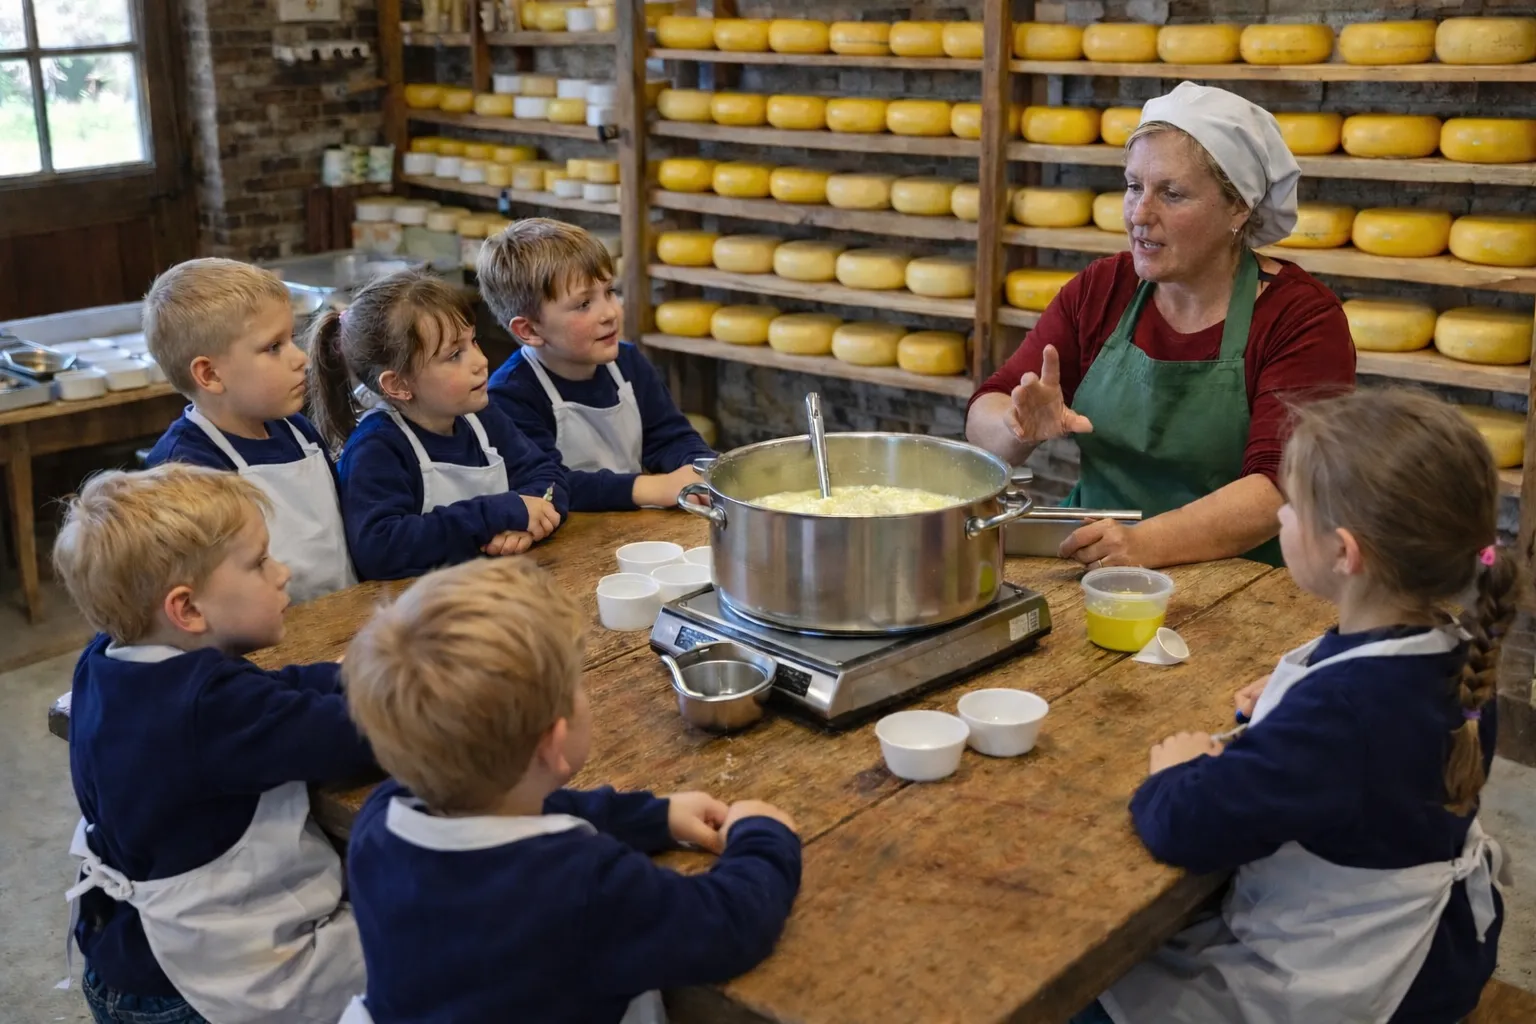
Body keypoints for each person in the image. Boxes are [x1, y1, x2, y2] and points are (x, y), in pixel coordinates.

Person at [1082, 389, 1511, 1024]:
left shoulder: (1341, 713)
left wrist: (1177, 772)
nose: (1281, 517)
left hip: (1354, 980)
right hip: (1441, 944)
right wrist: (1300, 690)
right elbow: (1360, 747)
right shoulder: (1458, 652)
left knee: (1091, 998)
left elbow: (1186, 827)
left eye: (1292, 508)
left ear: (1344, 553)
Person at [338, 557, 803, 1024]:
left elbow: (528, 810)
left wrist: (652, 816)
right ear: (554, 743)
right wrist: (763, 836)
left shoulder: (380, 821)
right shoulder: (582, 885)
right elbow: (726, 926)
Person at [967, 82, 1355, 568]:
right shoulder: (1102, 289)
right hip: (1096, 562)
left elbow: (1280, 486)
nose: (1139, 215)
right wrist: (1016, 427)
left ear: (1239, 206)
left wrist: (1144, 543)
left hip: (1243, 578)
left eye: (1171, 194)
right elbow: (986, 410)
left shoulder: (1300, 318)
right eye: (1134, 187)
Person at [54, 464, 373, 1024]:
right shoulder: (210, 712)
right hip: (196, 989)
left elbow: (274, 691)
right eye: (259, 563)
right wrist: (427, 686)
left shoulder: (109, 660)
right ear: (187, 609)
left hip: (126, 956)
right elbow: (357, 734)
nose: (283, 572)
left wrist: (356, 672)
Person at [308, 269, 569, 580]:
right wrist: (498, 514)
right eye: (455, 355)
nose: (481, 361)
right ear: (398, 385)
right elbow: (381, 548)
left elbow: (548, 475)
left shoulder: (482, 417)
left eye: (474, 341)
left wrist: (529, 522)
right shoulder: (376, 449)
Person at [142, 258, 355, 603]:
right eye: (274, 347)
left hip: (342, 614)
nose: (300, 358)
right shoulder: (185, 468)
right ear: (210, 375)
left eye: (291, 339)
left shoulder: (297, 431)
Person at [479, 218, 716, 512]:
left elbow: (670, 437)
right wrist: (652, 488)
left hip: (629, 523)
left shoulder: (627, 363)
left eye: (609, 292)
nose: (610, 313)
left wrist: (701, 469)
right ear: (529, 330)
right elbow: (549, 486)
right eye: (584, 304)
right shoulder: (510, 395)